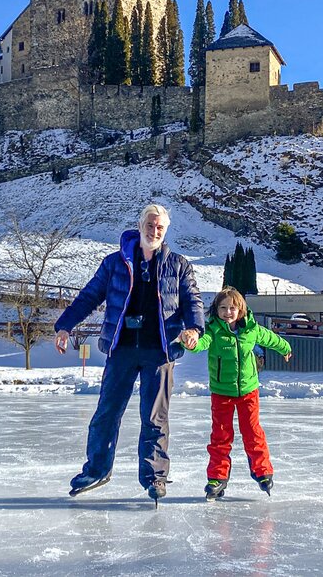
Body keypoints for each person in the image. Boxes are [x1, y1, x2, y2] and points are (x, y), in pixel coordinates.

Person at [54, 204, 203, 502]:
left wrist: (194, 329)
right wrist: (65, 326)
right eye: (150, 224)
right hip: (121, 348)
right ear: (140, 225)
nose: (154, 231)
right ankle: (96, 469)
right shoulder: (114, 263)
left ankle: (154, 477)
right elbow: (89, 296)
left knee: (155, 418)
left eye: (160, 227)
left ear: (166, 231)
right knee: (106, 412)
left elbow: (192, 300)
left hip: (159, 351)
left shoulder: (178, 265)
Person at [183, 287, 291, 499]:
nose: (228, 312)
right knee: (220, 436)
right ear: (216, 310)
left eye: (232, 308)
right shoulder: (213, 330)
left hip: (248, 391)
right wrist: (191, 342)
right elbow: (201, 344)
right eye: (223, 308)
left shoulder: (251, 329)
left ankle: (263, 472)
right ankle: (217, 477)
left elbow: (270, 338)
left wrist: (284, 347)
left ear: (241, 309)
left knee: (252, 431)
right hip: (221, 392)